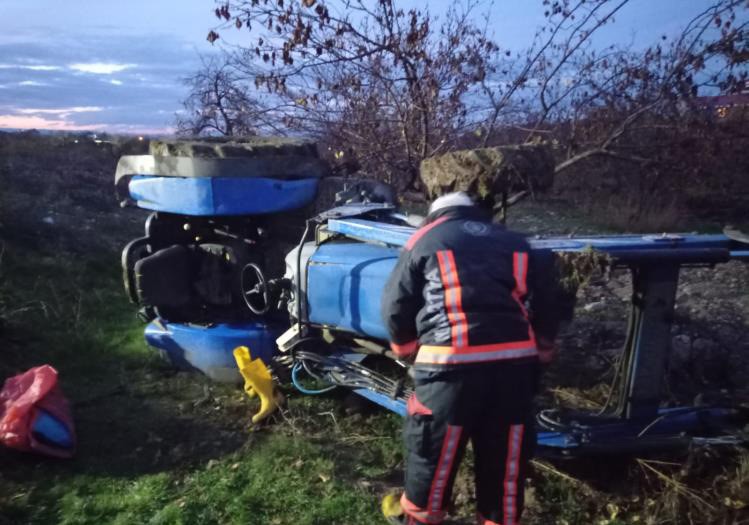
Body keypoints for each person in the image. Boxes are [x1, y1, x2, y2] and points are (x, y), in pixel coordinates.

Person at [380, 192, 565, 525]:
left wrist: (406, 349)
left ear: (435, 214)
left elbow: (395, 304)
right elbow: (549, 302)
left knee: (433, 457)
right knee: (504, 465)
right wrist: (543, 351)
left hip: (449, 368)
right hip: (514, 368)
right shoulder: (516, 242)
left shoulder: (425, 238)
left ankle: (423, 518)